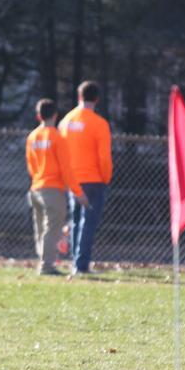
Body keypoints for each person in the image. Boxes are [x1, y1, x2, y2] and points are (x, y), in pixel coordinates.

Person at [25, 98, 88, 275]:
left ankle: (43, 261)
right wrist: (78, 192)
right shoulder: (57, 137)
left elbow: (31, 166)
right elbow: (66, 168)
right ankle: (47, 265)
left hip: (36, 187)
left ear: (38, 116)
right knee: (52, 227)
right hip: (52, 189)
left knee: (40, 228)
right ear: (55, 115)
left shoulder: (32, 137)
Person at [59, 80, 113, 274]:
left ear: (79, 96)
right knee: (88, 223)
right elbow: (104, 157)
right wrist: (106, 177)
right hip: (93, 179)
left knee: (75, 221)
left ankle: (76, 262)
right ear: (96, 99)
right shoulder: (99, 124)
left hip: (72, 179)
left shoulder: (65, 122)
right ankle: (81, 265)